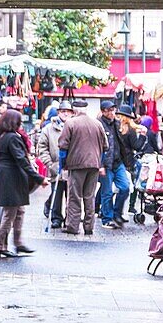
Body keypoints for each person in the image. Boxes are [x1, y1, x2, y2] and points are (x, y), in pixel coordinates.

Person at [0, 109, 47, 258]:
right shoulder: (12, 138)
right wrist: (38, 178)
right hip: (12, 178)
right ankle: (0, 245)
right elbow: (21, 160)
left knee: (19, 211)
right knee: (10, 214)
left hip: (5, 176)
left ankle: (17, 242)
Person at [59, 100, 107, 236]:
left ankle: (72, 226)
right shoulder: (97, 124)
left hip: (76, 165)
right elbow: (105, 147)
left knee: (74, 196)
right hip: (94, 165)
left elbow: (63, 146)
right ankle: (88, 226)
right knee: (89, 196)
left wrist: (63, 165)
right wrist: (99, 162)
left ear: (74, 110)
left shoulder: (70, 123)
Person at [36, 101, 73, 229]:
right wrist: (50, 164)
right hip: (55, 166)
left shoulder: (75, 126)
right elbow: (42, 147)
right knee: (56, 194)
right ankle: (56, 218)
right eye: (63, 111)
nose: (65, 114)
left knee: (71, 195)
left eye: (68, 112)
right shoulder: (48, 129)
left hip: (71, 167)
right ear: (58, 112)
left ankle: (70, 218)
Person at [97, 100, 131, 229]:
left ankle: (116, 213)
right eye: (109, 110)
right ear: (103, 112)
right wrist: (100, 165)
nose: (112, 112)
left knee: (125, 187)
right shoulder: (99, 125)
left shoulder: (117, 123)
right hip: (106, 164)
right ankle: (107, 218)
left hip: (118, 162)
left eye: (113, 110)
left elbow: (120, 143)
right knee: (107, 192)